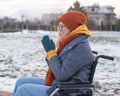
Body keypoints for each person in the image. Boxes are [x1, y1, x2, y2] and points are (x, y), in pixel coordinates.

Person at [12, 11, 94, 96]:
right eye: (59, 26)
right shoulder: (71, 43)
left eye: (62, 27)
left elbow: (61, 75)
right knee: (20, 82)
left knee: (24, 90)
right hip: (61, 85)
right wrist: (52, 53)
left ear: (72, 27)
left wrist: (51, 53)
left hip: (69, 91)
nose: (59, 30)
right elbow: (57, 69)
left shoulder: (79, 48)